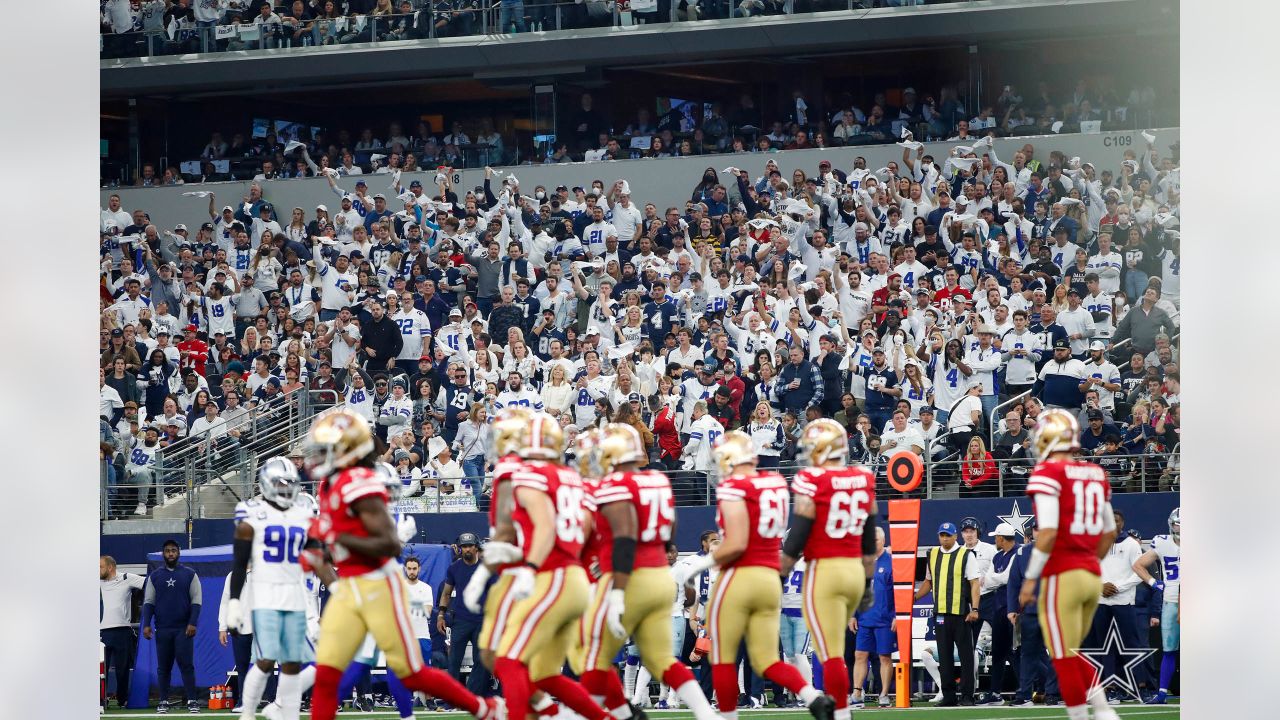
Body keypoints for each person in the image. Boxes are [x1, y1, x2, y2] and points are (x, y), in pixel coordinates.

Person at [302, 408, 501, 720]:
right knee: (328, 678)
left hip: (378, 586)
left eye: (330, 447)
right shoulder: (330, 485)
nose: (321, 454)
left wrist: (336, 537)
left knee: (410, 674)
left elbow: (389, 544)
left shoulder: (360, 482)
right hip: (351, 588)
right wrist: (326, 568)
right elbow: (322, 551)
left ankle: (482, 708)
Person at [672, 431, 836, 720]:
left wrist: (696, 566)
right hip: (769, 579)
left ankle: (727, 717)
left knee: (722, 656)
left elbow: (735, 543)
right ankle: (812, 696)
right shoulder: (774, 482)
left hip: (740, 577)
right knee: (766, 659)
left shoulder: (734, 486)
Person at [577, 424, 720, 720]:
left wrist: (616, 591)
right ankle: (706, 714)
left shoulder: (615, 485)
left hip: (632, 579)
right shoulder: (656, 480)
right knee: (661, 659)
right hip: (661, 578)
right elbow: (670, 526)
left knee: (593, 657)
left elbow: (626, 536)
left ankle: (576, 714)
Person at [488, 411, 612, 720]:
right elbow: (584, 525)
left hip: (551, 575)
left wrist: (529, 567)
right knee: (542, 673)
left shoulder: (530, 474)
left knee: (507, 661)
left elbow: (544, 527)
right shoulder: (570, 476)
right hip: (575, 578)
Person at [1017, 409, 1121, 720]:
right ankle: (1102, 709)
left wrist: (1031, 579)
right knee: (1071, 652)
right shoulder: (1094, 473)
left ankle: (1086, 715)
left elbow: (1047, 535)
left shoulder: (1049, 473)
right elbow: (1110, 532)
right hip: (1090, 575)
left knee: (1062, 657)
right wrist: (1088, 562)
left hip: (1062, 575)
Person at [783, 419, 879, 718]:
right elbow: (868, 535)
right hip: (853, 571)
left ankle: (841, 714)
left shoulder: (812, 480)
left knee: (830, 654)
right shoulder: (863, 477)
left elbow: (799, 531)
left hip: (824, 571)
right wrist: (866, 583)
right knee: (834, 648)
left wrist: (780, 573)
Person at [226, 457, 314, 720]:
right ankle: (248, 713)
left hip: (295, 594)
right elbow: (240, 564)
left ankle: (287, 714)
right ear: (266, 483)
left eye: (291, 484)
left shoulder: (304, 511)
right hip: (265, 594)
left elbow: (316, 554)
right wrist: (233, 603)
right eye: (281, 483)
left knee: (292, 663)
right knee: (265, 660)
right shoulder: (250, 511)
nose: (287, 489)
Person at [913, 522, 981, 706]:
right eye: (942, 535)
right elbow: (929, 582)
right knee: (944, 656)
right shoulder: (933, 554)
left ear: (955, 536)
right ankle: (949, 696)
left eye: (948, 535)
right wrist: (915, 597)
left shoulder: (966, 555)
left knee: (967, 656)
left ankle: (967, 695)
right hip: (941, 613)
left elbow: (975, 583)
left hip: (961, 613)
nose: (944, 538)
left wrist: (974, 609)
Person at [1086, 509, 1147, 703]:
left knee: (1131, 645)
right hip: (1100, 601)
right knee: (1104, 646)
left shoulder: (1131, 545)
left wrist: (1118, 587)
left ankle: (1138, 687)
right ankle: (1109, 689)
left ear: (1123, 523)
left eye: (1117, 520)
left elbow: (1139, 572)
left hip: (1123, 602)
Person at [140, 539, 203, 714]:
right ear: (163, 554)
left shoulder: (190, 574)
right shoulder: (155, 576)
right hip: (163, 630)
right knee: (163, 667)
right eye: (167, 551)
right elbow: (148, 602)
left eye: (173, 550)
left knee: (187, 666)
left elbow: (197, 602)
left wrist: (192, 623)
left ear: (179, 553)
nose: (170, 554)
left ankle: (192, 701)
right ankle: (163, 701)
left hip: (184, 629)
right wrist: (146, 624)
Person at [1007, 517, 1060, 707]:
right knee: (1028, 654)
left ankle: (1053, 693)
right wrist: (1012, 609)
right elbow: (1013, 583)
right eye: (1037, 529)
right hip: (1029, 613)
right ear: (1033, 532)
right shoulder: (1021, 552)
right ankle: (1024, 695)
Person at [1132, 508, 1180, 705]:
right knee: (1169, 649)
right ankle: (1161, 693)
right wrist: (1154, 583)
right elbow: (1138, 565)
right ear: (1171, 524)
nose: (1181, 528)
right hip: (1170, 601)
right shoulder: (1162, 542)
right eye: (1178, 523)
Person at [437, 533, 491, 695]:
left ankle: (472, 696)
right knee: (453, 661)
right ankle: (452, 699)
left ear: (476, 547)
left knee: (481, 661)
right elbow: (446, 594)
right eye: (464, 546)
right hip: (460, 620)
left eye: (469, 546)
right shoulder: (454, 568)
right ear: (460, 549)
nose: (466, 549)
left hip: (481, 621)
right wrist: (440, 615)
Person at [975, 523, 1019, 705]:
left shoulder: (1018, 553)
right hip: (999, 607)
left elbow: (1007, 578)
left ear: (1001, 538)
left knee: (1016, 651)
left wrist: (993, 580)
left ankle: (1028, 690)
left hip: (1014, 608)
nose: (995, 540)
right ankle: (995, 693)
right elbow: (991, 581)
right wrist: (994, 580)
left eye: (996, 537)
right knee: (999, 651)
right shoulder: (998, 556)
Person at [850, 526, 894, 709]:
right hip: (864, 619)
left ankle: (884, 694)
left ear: (883, 541)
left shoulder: (891, 562)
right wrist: (852, 615)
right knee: (859, 655)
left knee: (884, 656)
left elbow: (899, 593)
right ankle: (857, 693)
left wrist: (898, 616)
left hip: (885, 619)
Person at [100, 555, 146, 711]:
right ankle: (100, 700)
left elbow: (149, 584)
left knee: (122, 669)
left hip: (122, 631)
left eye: (100, 567)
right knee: (100, 669)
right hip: (101, 632)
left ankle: (122, 700)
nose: (97, 570)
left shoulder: (127, 577)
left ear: (110, 567)